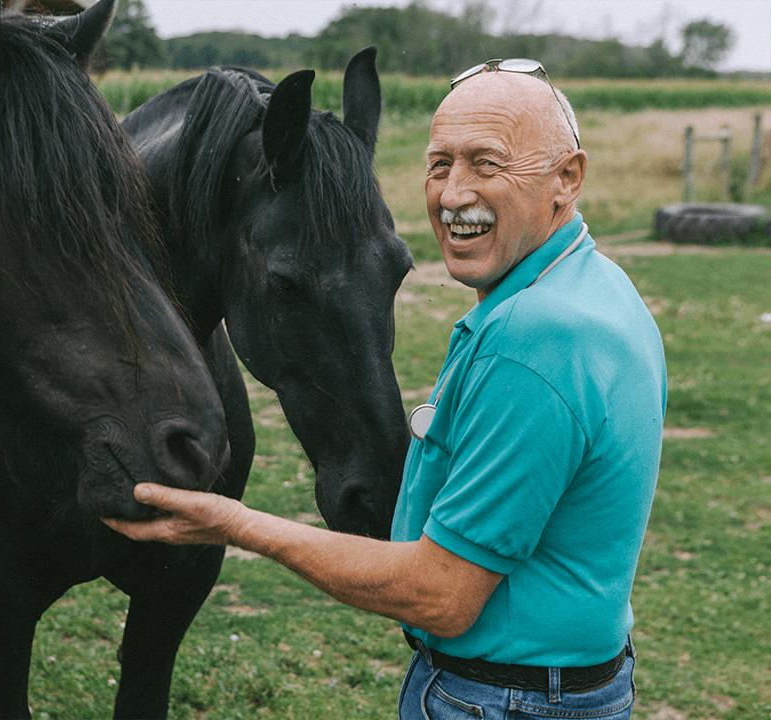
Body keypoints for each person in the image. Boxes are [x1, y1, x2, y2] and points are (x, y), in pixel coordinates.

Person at [104, 59, 666, 719]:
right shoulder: (604, 291)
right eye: (438, 164)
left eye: (486, 164)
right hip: (579, 683)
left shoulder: (536, 341)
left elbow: (440, 596)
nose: (454, 194)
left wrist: (233, 523)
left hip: (497, 698)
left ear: (567, 177)